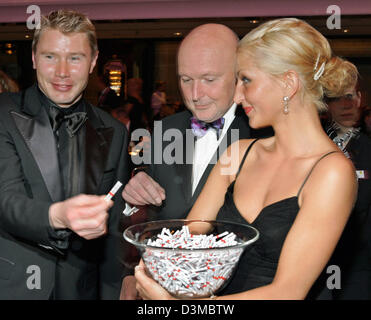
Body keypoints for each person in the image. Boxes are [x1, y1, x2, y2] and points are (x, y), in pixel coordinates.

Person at [134, 18, 357, 300]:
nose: (237, 96)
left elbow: (288, 292)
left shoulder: (332, 172)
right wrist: (155, 263)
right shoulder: (238, 153)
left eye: (247, 80)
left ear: (288, 83)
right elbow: (188, 237)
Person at [120, 23, 271, 299]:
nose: (194, 94)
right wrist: (132, 199)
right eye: (185, 79)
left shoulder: (267, 136)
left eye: (209, 79)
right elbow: (146, 223)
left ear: (239, 77)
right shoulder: (166, 129)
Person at [0, 10, 129, 299]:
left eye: (75, 58)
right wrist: (57, 215)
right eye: (50, 57)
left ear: (93, 61)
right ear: (33, 58)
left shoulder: (115, 132)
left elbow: (113, 235)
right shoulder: (2, 114)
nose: (62, 72)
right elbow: (5, 200)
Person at [321, 80, 371, 299]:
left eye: (350, 96)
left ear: (360, 99)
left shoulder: (368, 147)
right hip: (319, 258)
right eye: (336, 98)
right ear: (324, 104)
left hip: (359, 262)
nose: (345, 104)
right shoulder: (313, 146)